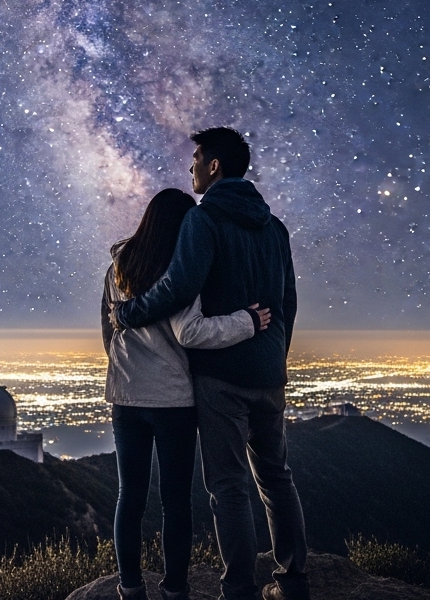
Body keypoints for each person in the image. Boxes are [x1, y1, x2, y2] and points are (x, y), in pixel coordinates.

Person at [111, 128, 307, 600]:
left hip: (221, 376)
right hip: (268, 373)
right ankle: (293, 582)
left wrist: (129, 313)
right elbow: (288, 302)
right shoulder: (275, 228)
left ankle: (238, 589)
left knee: (229, 487)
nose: (191, 167)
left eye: (196, 158)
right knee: (277, 479)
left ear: (214, 166)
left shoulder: (203, 220)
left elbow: (179, 288)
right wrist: (275, 357)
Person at [102, 187, 271, 600]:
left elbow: (108, 331)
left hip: (126, 396)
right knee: (175, 501)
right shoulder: (180, 270)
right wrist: (247, 321)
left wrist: (127, 368)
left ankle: (130, 588)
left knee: (129, 496)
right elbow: (190, 332)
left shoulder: (118, 266)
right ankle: (175, 590)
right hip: (172, 400)